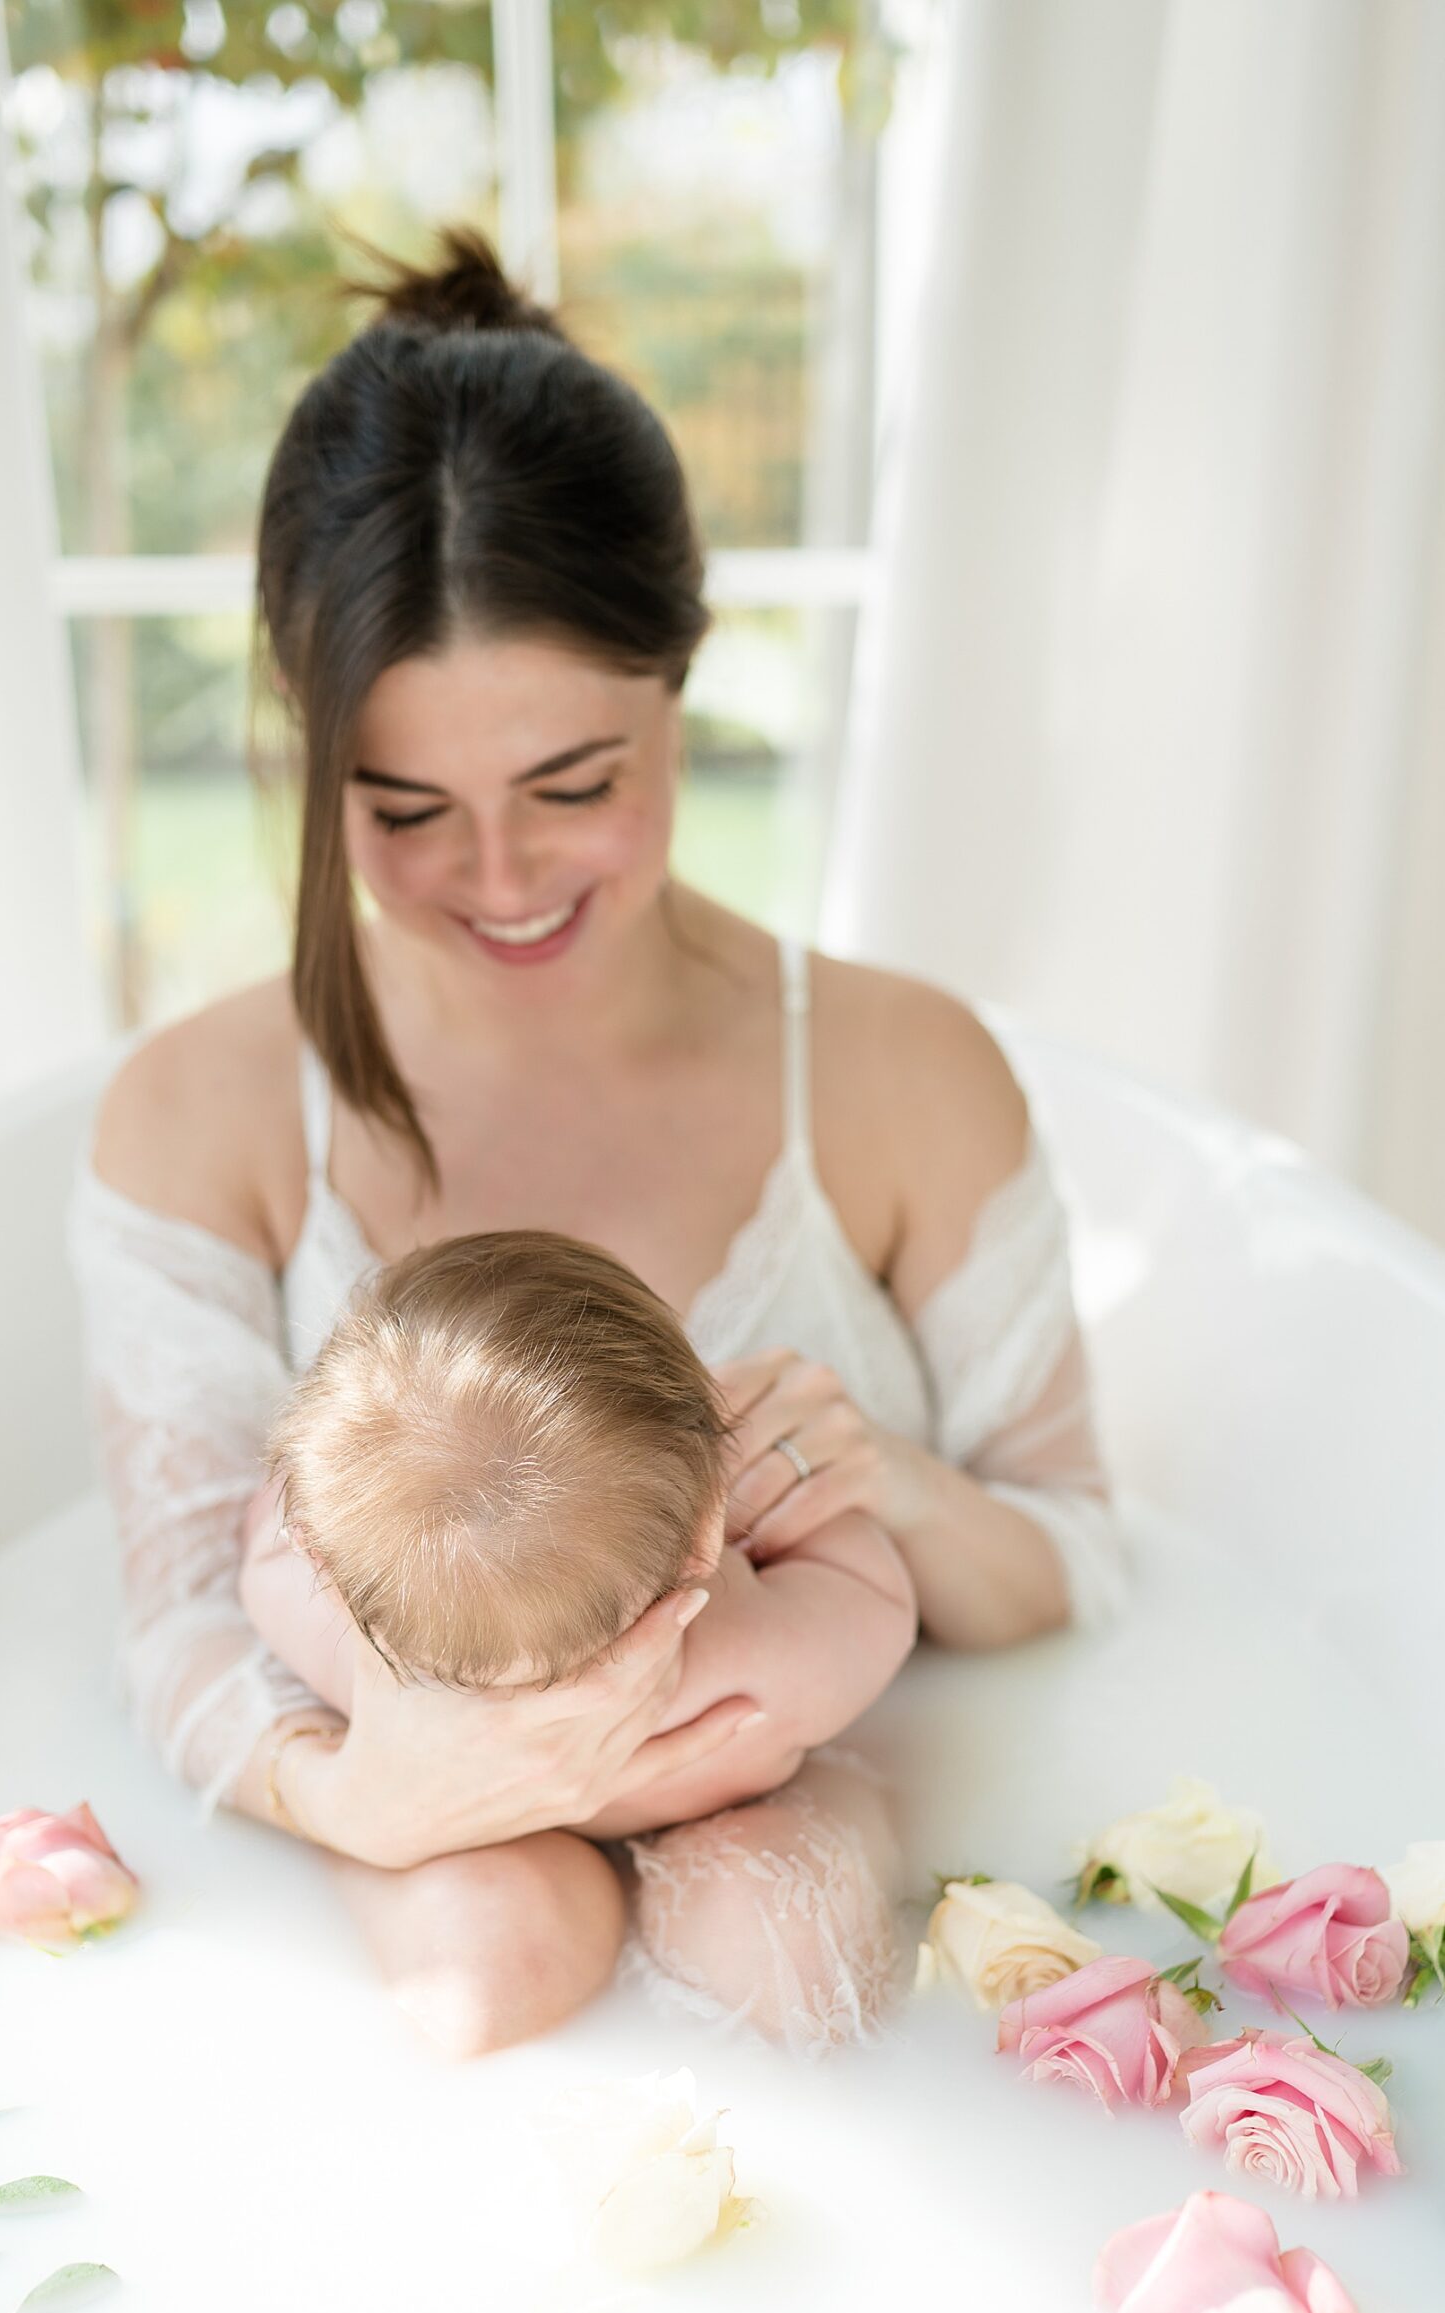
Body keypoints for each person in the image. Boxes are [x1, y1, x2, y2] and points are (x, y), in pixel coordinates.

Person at [68, 224, 1127, 2064]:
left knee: (787, 1950)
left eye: (576, 788)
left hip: (808, 1767)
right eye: (403, 809)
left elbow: (1076, 1572)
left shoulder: (898, 1072)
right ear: (309, 754)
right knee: (487, 1963)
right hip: (408, 1812)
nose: (498, 882)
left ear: (682, 686)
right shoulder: (201, 1120)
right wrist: (374, 1802)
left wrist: (878, 1482)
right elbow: (175, 1624)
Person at [240, 1225, 919, 1834]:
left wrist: (314, 1515)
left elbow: (266, 1554)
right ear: (707, 1527)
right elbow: (880, 1601)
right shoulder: (755, 1658)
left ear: (325, 1569)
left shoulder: (364, 1673)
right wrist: (812, 1532)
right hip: (706, 1807)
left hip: (482, 1832)